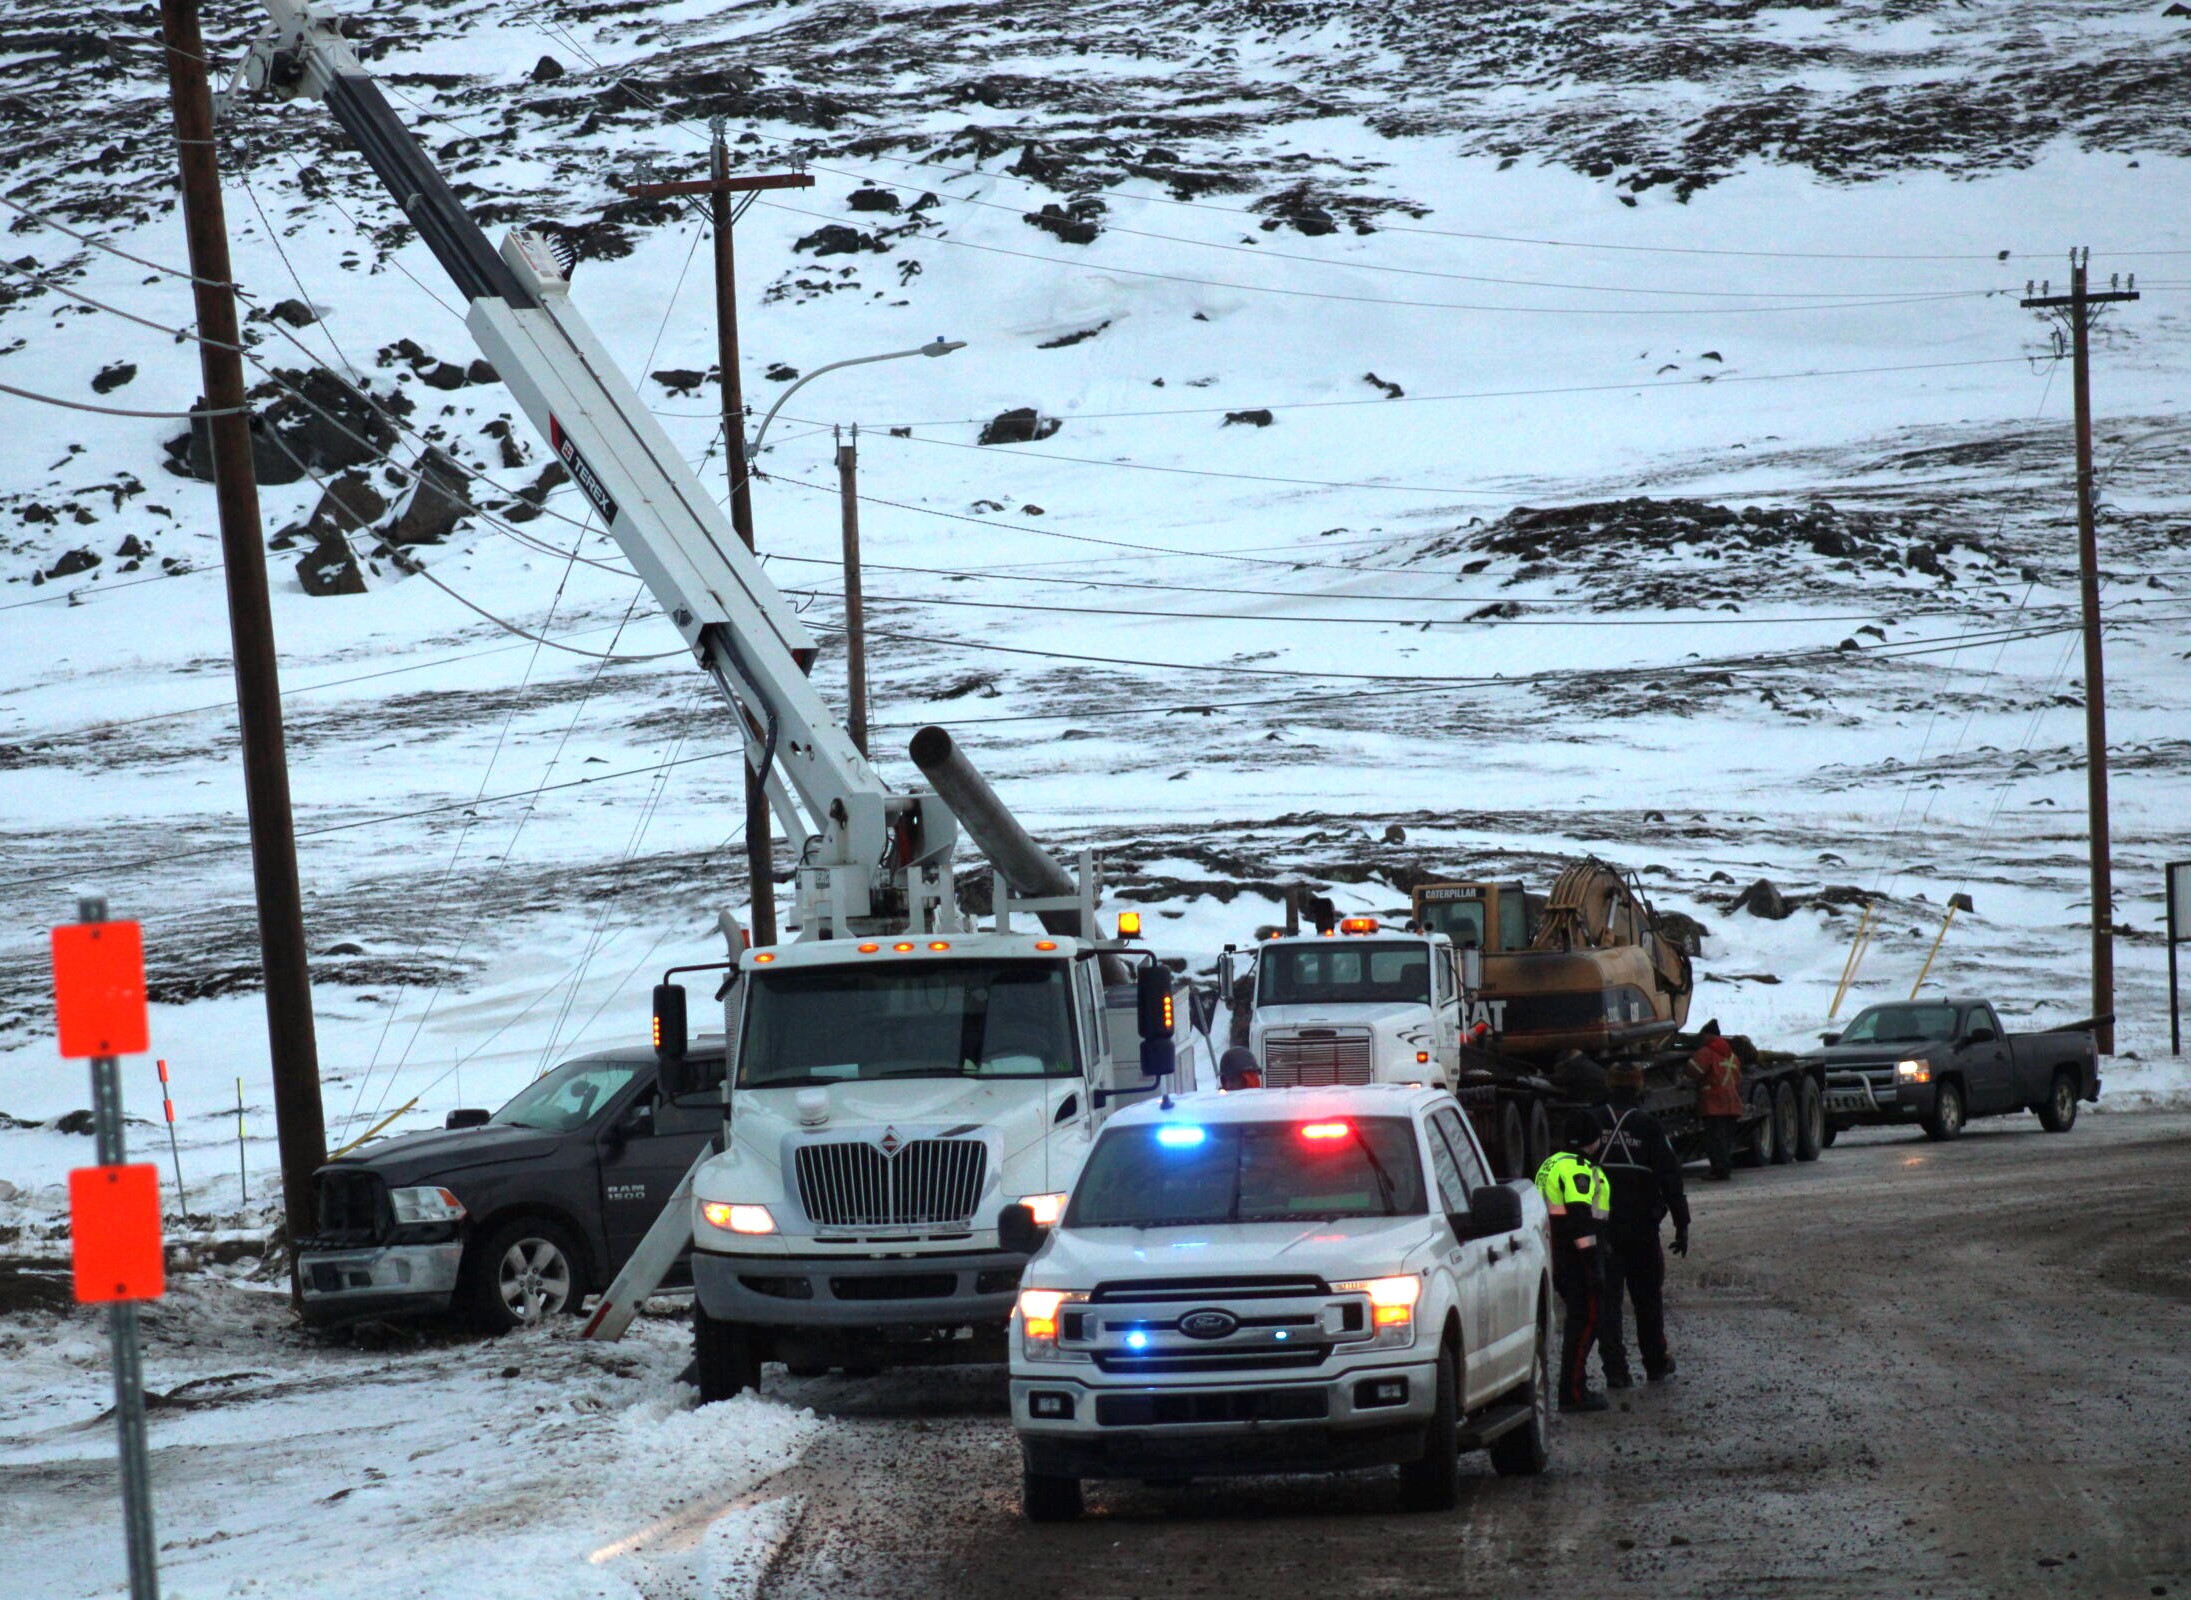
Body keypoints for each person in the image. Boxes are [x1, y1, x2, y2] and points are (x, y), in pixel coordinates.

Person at [1593, 1062, 1691, 1386]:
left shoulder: (1592, 1121)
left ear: (1609, 1085)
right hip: (1641, 1228)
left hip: (1601, 1230)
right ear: (1639, 1088)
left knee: (1607, 1303)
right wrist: (1681, 1224)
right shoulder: (1648, 1126)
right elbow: (1670, 1178)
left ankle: (1615, 1371)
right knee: (1648, 1299)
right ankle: (1655, 1363)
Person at [1534, 1110, 1613, 1413]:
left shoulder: (1550, 1164)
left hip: (1555, 1255)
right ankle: (1573, 1392)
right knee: (1586, 1321)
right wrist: (1594, 1265)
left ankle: (1572, 1387)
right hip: (1578, 1260)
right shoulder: (1578, 1170)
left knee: (1579, 1321)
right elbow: (1581, 1222)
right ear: (1592, 1140)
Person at [1685, 1019, 1743, 1180]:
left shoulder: (1706, 1052)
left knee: (1714, 1139)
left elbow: (1693, 1071)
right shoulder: (1732, 1055)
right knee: (1726, 1139)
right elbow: (1738, 1079)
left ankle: (1719, 1169)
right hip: (1732, 1104)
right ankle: (1725, 1167)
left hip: (1714, 1105)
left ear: (1708, 1035)